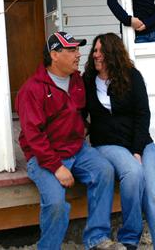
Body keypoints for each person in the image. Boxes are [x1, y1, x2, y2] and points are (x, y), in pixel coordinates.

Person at [16, 31, 124, 250]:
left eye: (78, 48)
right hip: (45, 156)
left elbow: (81, 112)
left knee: (104, 171)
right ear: (54, 55)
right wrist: (56, 167)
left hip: (77, 149)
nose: (78, 54)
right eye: (72, 49)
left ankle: (97, 239)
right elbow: (33, 136)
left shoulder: (77, 80)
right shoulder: (32, 89)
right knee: (56, 204)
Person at [83, 33, 155, 250]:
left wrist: (137, 150)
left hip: (141, 143)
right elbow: (78, 113)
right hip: (108, 144)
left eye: (101, 51)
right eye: (94, 51)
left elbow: (143, 114)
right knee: (133, 173)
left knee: (153, 194)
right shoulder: (86, 80)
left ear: (112, 54)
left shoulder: (132, 76)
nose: (96, 55)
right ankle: (130, 238)